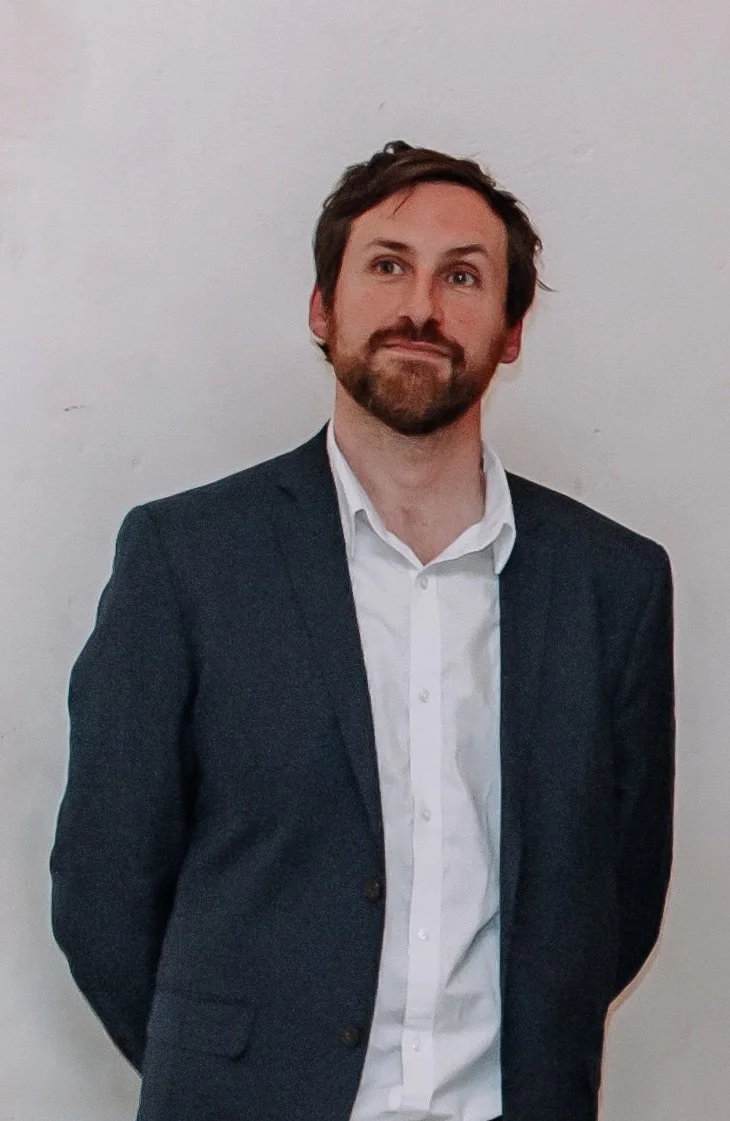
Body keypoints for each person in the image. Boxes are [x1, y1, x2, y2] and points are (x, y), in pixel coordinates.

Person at [50, 140, 675, 1121]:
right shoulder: (187, 558)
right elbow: (103, 886)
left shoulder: (613, 584)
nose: (419, 306)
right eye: (387, 264)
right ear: (321, 307)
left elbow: (618, 898)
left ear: (510, 332)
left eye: (461, 275)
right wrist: (239, 1064)